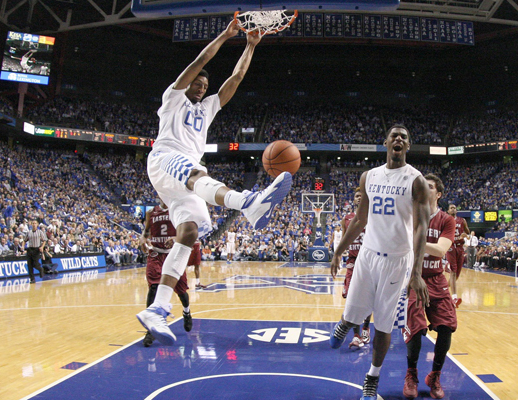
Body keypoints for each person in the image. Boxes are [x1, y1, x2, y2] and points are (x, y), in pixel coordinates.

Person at [136, 21, 293, 346]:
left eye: (206, 84)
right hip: (165, 158)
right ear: (187, 83)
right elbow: (196, 65)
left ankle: (157, 308)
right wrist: (224, 36)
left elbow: (234, 80)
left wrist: (250, 46)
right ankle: (247, 203)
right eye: (198, 82)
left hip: (181, 177)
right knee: (199, 176)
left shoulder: (207, 108)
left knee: (189, 234)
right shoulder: (173, 98)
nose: (202, 86)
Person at [329, 124, 431, 400]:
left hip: (398, 262)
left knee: (383, 326)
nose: (398, 140)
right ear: (386, 142)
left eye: (404, 138)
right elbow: (361, 219)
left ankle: (371, 379)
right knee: (353, 314)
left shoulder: (416, 180)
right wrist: (339, 251)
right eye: (394, 136)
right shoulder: (369, 176)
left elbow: (421, 227)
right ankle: (345, 322)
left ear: (408, 146)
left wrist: (416, 272)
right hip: (368, 255)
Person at [402, 174, 456, 400]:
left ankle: (434, 375)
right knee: (416, 327)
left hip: (436, 278)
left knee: (447, 326)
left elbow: (441, 250)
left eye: (430, 186)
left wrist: (415, 241)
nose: (425, 188)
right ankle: (411, 373)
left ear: (439, 194)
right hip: (414, 277)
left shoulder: (446, 220)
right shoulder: (410, 214)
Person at [140, 200, 193, 347]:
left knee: (181, 291)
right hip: (156, 254)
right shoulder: (151, 212)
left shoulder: (178, 210)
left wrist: (177, 238)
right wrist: (142, 240)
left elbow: (188, 231)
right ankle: (151, 328)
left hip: (174, 254)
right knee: (153, 288)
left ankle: (187, 312)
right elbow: (146, 232)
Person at [341, 187, 372, 349]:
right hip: (353, 261)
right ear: (353, 200)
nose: (359, 198)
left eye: (362, 196)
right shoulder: (347, 218)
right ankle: (356, 335)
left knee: (368, 298)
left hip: (369, 261)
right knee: (352, 298)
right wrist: (338, 254)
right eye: (357, 196)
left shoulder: (373, 217)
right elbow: (345, 238)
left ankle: (365, 328)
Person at [445, 204, 470, 307]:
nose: (453, 209)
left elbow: (467, 232)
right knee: (453, 272)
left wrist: (466, 235)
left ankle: (443, 290)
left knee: (457, 275)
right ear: (448, 210)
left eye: (454, 208)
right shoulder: (445, 219)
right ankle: (454, 297)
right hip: (450, 246)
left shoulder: (462, 220)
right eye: (451, 208)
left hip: (460, 247)